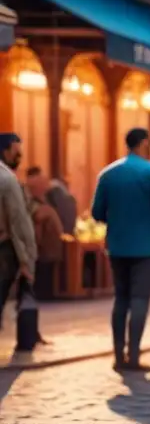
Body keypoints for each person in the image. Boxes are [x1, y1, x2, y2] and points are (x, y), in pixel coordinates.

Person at [91, 128, 150, 372]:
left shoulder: (108, 174)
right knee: (139, 299)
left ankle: (118, 355)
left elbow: (97, 212)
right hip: (146, 246)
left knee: (121, 298)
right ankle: (134, 355)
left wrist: (118, 219)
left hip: (117, 245)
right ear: (144, 143)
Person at [0, 134, 36, 332]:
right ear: (5, 151)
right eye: (17, 153)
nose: (19, 158)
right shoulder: (7, 179)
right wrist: (26, 260)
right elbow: (18, 223)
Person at [25, 167, 64, 300]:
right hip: (46, 241)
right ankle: (45, 293)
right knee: (45, 267)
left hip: (41, 241)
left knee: (41, 266)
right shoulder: (44, 208)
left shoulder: (39, 204)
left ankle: (41, 293)